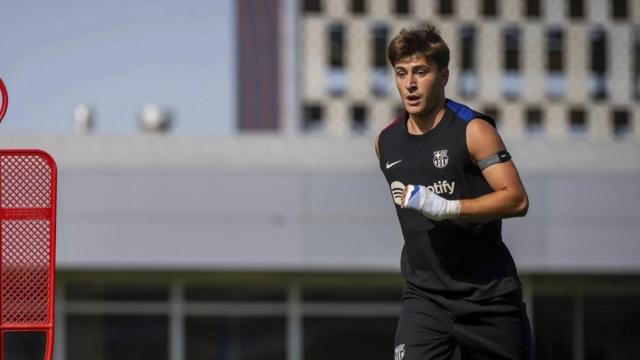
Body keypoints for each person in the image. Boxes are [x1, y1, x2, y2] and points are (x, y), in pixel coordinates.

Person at [375, 26, 533, 360]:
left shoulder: (474, 131)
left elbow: (516, 199)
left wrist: (450, 208)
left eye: (421, 72)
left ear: (443, 75)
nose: (410, 84)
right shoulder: (386, 143)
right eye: (401, 73)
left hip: (489, 298)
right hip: (424, 298)